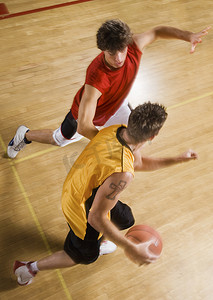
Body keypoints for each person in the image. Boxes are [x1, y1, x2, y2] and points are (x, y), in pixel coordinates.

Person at [13, 102, 198, 286]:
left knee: (125, 218)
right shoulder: (122, 174)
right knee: (83, 255)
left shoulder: (117, 129)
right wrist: (131, 248)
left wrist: (178, 159)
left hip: (82, 185)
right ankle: (28, 268)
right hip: (79, 206)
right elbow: (95, 218)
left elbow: (139, 163)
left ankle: (100, 242)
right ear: (153, 136)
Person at [7, 20, 210, 158]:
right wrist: (110, 145)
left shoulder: (133, 45)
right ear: (103, 50)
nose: (119, 58)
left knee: (136, 133)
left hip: (117, 105)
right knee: (57, 139)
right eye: (112, 53)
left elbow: (156, 32)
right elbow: (84, 126)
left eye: (121, 50)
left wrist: (188, 35)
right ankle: (24, 135)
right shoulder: (96, 77)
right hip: (89, 116)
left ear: (126, 44)